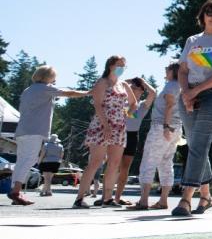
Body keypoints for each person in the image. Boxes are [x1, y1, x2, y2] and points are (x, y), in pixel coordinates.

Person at [172, 0, 212, 216]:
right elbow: (182, 70)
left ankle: (185, 199)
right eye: (210, 12)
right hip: (189, 94)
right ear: (203, 15)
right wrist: (186, 94)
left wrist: (195, 92)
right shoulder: (192, 40)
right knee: (195, 145)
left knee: (198, 144)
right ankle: (206, 196)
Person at [7, 66, 89, 205]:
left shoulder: (28, 90)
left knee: (21, 160)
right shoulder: (44, 88)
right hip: (35, 131)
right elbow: (69, 93)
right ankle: (15, 191)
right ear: (48, 77)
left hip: (22, 130)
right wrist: (88, 92)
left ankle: (15, 190)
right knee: (29, 159)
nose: (55, 80)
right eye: (53, 77)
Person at [73, 56, 138, 208]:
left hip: (119, 126)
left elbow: (134, 103)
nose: (122, 68)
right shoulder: (102, 82)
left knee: (114, 163)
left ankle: (107, 198)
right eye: (119, 65)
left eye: (124, 65)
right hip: (102, 125)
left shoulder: (123, 85)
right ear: (110, 65)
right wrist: (106, 125)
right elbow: (97, 105)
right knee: (96, 161)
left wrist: (126, 115)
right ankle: (79, 198)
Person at [128, 61, 184, 210]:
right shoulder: (181, 86)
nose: (165, 71)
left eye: (167, 69)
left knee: (149, 161)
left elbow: (169, 105)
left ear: (172, 71)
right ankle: (163, 200)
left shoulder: (171, 86)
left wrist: (165, 126)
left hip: (162, 127)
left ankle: (143, 201)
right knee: (166, 163)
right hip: (176, 127)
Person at [110, 77, 156, 206]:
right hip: (117, 134)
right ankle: (106, 197)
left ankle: (117, 197)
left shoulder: (142, 105)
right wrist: (128, 81)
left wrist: (143, 82)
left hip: (131, 136)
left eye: (135, 88)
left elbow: (153, 93)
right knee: (113, 166)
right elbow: (114, 86)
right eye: (131, 88)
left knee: (125, 168)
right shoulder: (122, 101)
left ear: (141, 91)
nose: (132, 89)